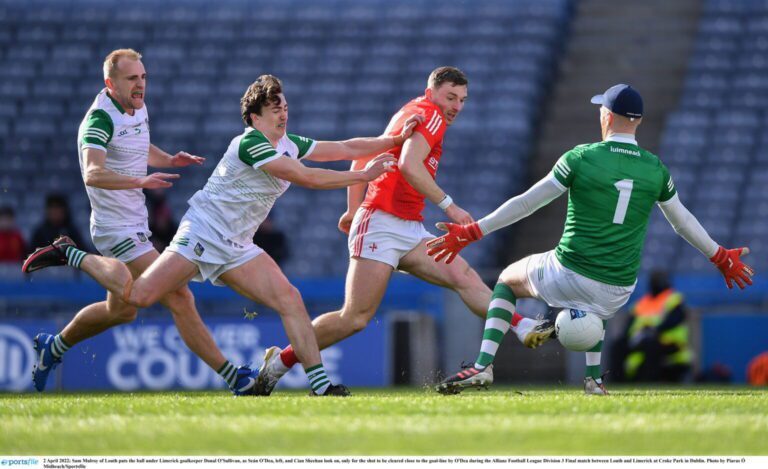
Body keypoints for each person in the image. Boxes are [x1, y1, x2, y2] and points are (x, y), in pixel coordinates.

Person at [24, 74, 418, 396]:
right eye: (274, 106)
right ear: (254, 116)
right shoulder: (250, 144)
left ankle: (320, 387)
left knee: (290, 299)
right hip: (203, 232)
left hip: (237, 245)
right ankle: (70, 254)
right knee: (138, 297)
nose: (283, 111)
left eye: (284, 104)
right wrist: (363, 175)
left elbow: (344, 146)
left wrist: (395, 140)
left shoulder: (289, 142)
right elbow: (306, 177)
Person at [427, 84, 754, 395]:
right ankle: (594, 380)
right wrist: (720, 256)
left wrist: (474, 231)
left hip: (568, 273)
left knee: (507, 281)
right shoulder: (656, 169)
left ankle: (483, 365)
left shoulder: (581, 157)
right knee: (592, 303)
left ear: (607, 116)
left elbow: (528, 202)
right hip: (618, 290)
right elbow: (682, 222)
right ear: (637, 121)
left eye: (601, 109)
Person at [256, 66, 554, 395]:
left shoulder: (411, 112)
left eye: (462, 100)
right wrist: (450, 206)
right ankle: (280, 361)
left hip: (407, 228)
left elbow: (363, 158)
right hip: (382, 224)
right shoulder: (432, 114)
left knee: (464, 277)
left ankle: (522, 325)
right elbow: (408, 166)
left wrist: (353, 209)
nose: (456, 106)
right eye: (450, 97)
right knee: (354, 318)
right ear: (432, 93)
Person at [22, 48, 258, 395]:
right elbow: (93, 172)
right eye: (132, 78)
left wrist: (167, 159)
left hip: (135, 224)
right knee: (179, 296)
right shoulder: (99, 119)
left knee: (121, 311)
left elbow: (135, 145)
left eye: (143, 77)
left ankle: (52, 347)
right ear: (110, 82)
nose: (140, 85)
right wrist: (139, 182)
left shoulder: (135, 107)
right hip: (114, 228)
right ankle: (234, 377)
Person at [621, 270, 693, 383]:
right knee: (618, 345)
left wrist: (654, 330)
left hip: (669, 342)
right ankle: (617, 381)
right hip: (641, 340)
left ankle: (649, 381)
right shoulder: (642, 302)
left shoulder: (674, 298)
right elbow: (628, 326)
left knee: (651, 345)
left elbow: (675, 319)